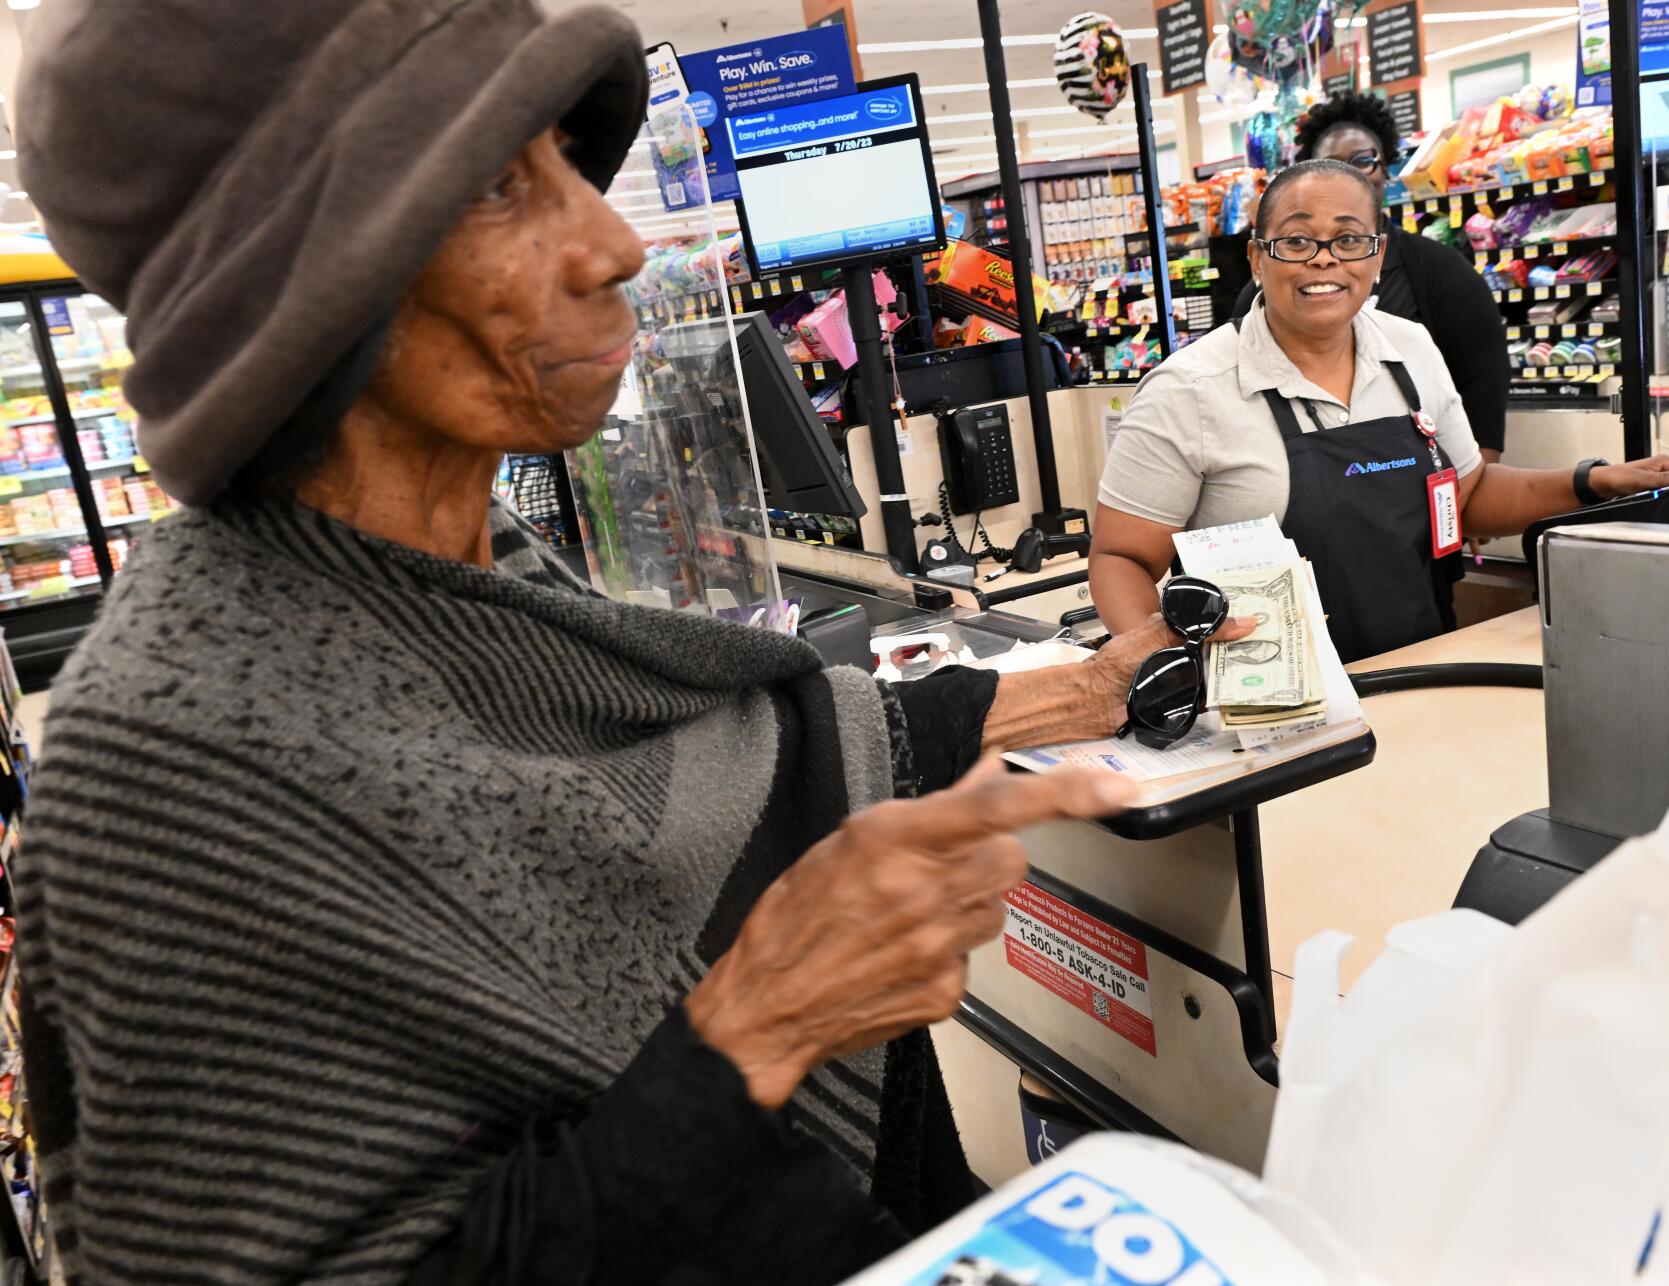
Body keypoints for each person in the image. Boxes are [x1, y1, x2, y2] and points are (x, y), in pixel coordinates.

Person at [9, 3, 1247, 1282]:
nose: (609, 240)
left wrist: (1089, 687)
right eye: (497, 186)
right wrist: (761, 1019)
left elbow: (740, 754)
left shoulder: (466, 563)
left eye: (561, 153)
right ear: (297, 282)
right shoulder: (171, 767)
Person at [1094, 159, 1669, 661]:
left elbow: (1465, 496)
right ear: (1257, 257)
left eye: (1348, 239)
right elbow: (1122, 557)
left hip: (1418, 666)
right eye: (1296, 240)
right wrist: (1164, 663)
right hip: (1263, 709)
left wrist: (1591, 482)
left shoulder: (1409, 347)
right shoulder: (1190, 389)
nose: (1324, 259)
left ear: (1378, 254)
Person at [1233, 92, 1513, 463]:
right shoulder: (1266, 290)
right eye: (1331, 163)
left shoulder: (1444, 277)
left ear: (1386, 169)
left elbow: (1482, 411)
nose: (1324, 262)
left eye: (1363, 160)